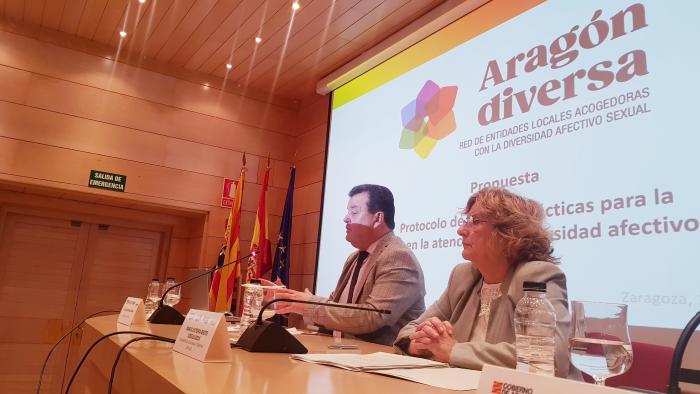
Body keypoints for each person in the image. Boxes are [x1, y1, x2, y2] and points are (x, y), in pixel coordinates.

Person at [394, 187, 577, 378]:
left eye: (475, 221)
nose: (460, 230)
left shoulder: (537, 275)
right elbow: (409, 330)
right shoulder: (462, 276)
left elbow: (548, 357)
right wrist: (420, 345)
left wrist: (453, 351)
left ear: (508, 232)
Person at [274, 184, 426, 345]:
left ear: (378, 218)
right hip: (345, 354)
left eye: (354, 212)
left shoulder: (397, 256)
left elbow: (372, 317)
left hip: (379, 362)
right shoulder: (354, 258)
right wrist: (290, 300)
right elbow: (337, 308)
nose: (345, 218)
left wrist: (307, 305)